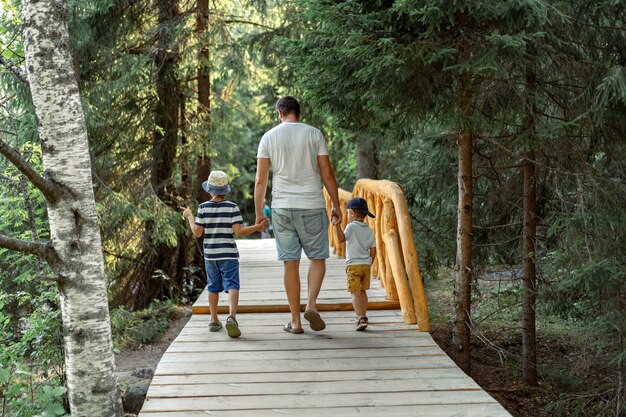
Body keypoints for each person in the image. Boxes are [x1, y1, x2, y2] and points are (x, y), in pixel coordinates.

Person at [254, 96, 342, 334]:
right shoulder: (314, 134)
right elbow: (328, 174)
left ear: (279, 114)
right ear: (298, 113)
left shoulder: (269, 137)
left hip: (282, 207)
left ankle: (295, 321)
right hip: (312, 204)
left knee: (290, 264)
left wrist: (259, 214)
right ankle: (311, 304)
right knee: (317, 258)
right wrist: (336, 204)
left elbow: (261, 180)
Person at [183, 170, 267, 338]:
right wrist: (258, 227)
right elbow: (239, 232)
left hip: (211, 255)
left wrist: (189, 216)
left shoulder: (203, 208)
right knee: (232, 285)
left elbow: (197, 232)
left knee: (213, 287)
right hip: (228, 254)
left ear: (209, 190)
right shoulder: (232, 207)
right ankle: (232, 317)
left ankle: (214, 320)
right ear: (225, 190)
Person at [332, 198, 377, 331]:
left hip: (353, 265)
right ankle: (364, 315)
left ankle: (360, 317)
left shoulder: (351, 227)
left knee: (355, 292)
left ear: (351, 213)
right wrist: (369, 262)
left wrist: (336, 224)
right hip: (366, 265)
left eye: (347, 213)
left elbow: (341, 239)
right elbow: (373, 249)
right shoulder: (369, 230)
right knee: (362, 291)